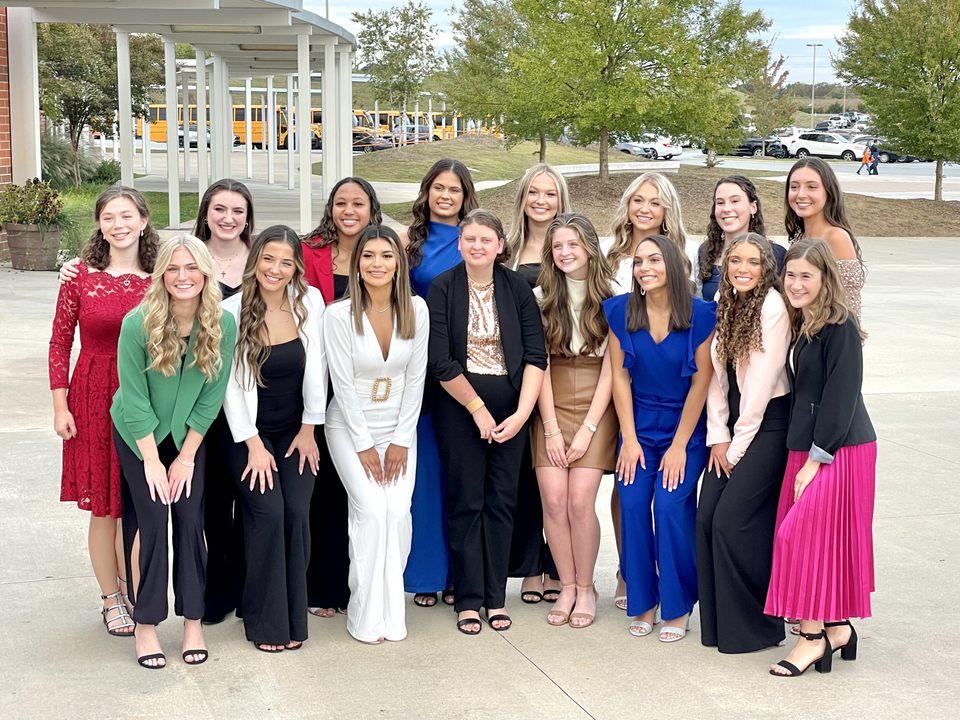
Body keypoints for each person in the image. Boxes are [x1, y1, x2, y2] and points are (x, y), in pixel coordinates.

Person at [112, 234, 235, 669]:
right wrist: (150, 460)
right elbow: (134, 397)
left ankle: (192, 621)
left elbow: (212, 397)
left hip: (188, 438)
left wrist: (184, 459)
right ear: (161, 273)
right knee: (151, 518)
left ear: (206, 273)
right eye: (174, 268)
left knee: (189, 520)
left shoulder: (222, 323)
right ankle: (146, 624)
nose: (183, 277)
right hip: (137, 435)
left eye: (191, 268)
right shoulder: (137, 322)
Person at [427, 209, 547, 634]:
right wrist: (477, 408)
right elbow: (440, 362)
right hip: (460, 408)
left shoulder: (517, 288)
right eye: (470, 239)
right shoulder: (442, 289)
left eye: (486, 240)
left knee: (501, 502)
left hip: (513, 409)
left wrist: (521, 414)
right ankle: (468, 598)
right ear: (460, 244)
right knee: (466, 502)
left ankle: (495, 597)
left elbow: (536, 356)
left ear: (500, 246)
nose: (477, 246)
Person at [49, 186, 157, 637]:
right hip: (92, 395)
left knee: (134, 502)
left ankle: (135, 590)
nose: (119, 224)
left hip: (144, 396)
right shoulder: (79, 278)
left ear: (144, 221)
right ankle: (111, 599)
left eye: (127, 215)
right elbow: (59, 343)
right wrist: (60, 406)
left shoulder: (161, 278)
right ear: (100, 224)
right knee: (104, 507)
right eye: (109, 217)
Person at [766, 239, 876, 677]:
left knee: (801, 536)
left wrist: (817, 458)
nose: (795, 283)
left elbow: (840, 397)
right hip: (805, 447)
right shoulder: (803, 323)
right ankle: (837, 629)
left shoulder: (840, 325)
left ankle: (810, 639)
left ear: (825, 278)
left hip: (839, 451)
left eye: (805, 275)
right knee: (822, 542)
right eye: (790, 275)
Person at [603, 234, 715, 643]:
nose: (644, 268)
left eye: (653, 260)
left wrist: (680, 445)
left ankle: (678, 605)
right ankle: (643, 601)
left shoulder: (701, 315)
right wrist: (629, 440)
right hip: (637, 426)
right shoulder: (619, 311)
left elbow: (702, 380)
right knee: (632, 502)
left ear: (671, 263)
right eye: (638, 262)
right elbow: (618, 376)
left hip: (684, 428)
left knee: (669, 507)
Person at [222, 225, 327, 653]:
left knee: (296, 511)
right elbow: (228, 385)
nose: (276, 269)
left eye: (286, 262)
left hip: (296, 430)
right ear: (255, 260)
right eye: (268, 258)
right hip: (246, 434)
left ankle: (292, 619)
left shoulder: (310, 302)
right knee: (267, 513)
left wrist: (309, 428)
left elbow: (317, 365)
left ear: (296, 267)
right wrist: (252, 444)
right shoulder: (229, 310)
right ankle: (266, 621)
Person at [324, 225, 429, 643]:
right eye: (368, 256)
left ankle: (391, 612)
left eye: (387, 255)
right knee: (370, 510)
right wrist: (365, 444)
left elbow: (416, 377)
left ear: (399, 263)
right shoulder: (337, 315)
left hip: (400, 430)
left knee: (398, 513)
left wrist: (402, 438)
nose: (377, 264)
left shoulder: (416, 310)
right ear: (357, 263)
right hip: (350, 428)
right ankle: (364, 613)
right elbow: (343, 385)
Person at [697, 233, 791, 654]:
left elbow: (759, 389)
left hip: (767, 424)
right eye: (736, 260)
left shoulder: (772, 307)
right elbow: (715, 377)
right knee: (705, 519)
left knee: (731, 521)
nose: (742, 269)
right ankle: (718, 628)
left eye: (753, 262)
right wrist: (717, 435)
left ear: (765, 267)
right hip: (732, 426)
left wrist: (735, 448)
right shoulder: (725, 300)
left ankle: (758, 626)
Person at [301, 176, 384, 618]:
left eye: (358, 203)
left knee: (367, 490)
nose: (349, 211)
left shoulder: (386, 252)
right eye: (340, 203)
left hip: (373, 388)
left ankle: (367, 583)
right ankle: (325, 586)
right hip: (321, 381)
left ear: (372, 208)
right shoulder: (308, 251)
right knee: (326, 489)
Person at [532, 214, 618, 628]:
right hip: (550, 398)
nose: (565, 253)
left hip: (597, 403)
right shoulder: (539, 296)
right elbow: (539, 366)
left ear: (589, 247)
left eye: (573, 245)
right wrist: (549, 427)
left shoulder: (612, 297)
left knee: (581, 499)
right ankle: (566, 585)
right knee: (553, 498)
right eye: (558, 246)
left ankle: (587, 586)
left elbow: (612, 371)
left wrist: (587, 428)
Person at [402, 158, 479, 608]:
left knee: (462, 474)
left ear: (466, 195)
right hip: (420, 367)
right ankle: (428, 573)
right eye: (438, 188)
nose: (446, 196)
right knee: (427, 474)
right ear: (427, 192)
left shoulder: (475, 241)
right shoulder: (408, 243)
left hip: (466, 367)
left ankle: (459, 573)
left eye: (454, 190)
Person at [505, 163, 572, 604]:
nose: (542, 201)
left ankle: (558, 566)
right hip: (517, 375)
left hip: (563, 377)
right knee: (526, 476)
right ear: (523, 199)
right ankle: (532, 565)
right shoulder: (507, 250)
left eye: (550, 194)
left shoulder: (571, 248)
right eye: (534, 193)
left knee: (559, 478)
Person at [785, 157, 866, 319]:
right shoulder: (799, 237)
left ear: (828, 192)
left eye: (812, 187)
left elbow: (849, 306)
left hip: (829, 339)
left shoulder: (836, 237)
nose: (801, 194)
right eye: (794, 187)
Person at [607, 172, 700, 294]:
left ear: (668, 209)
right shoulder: (607, 249)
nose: (644, 209)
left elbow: (697, 300)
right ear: (628, 204)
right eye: (638, 200)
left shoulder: (688, 250)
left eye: (655, 203)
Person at [698, 176, 786, 301]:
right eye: (720, 202)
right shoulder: (705, 251)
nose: (726, 209)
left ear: (753, 207)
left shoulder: (776, 254)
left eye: (735, 201)